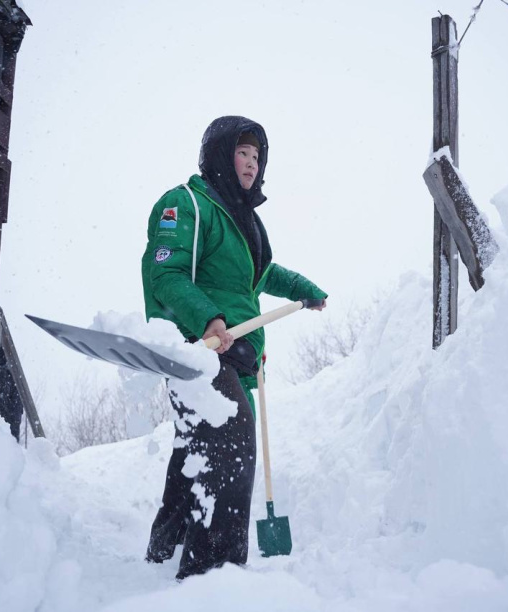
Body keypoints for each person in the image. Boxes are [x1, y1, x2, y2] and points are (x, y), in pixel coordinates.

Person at [140, 116, 327, 580]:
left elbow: (263, 275)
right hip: (197, 350)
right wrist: (210, 319)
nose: (251, 163)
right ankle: (212, 577)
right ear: (222, 155)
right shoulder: (186, 204)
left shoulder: (245, 224)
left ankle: (163, 553)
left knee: (196, 452)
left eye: (257, 156)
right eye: (243, 152)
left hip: (237, 357)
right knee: (232, 439)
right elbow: (165, 273)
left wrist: (306, 290)